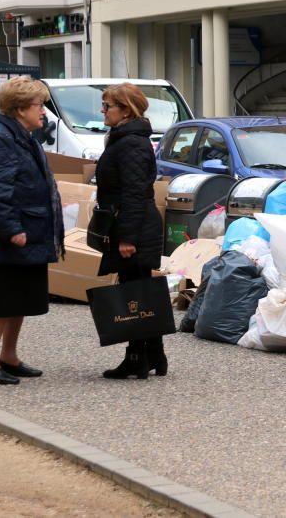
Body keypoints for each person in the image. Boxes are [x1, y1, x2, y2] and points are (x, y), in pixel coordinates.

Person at [0, 77, 63, 385]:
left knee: (19, 299)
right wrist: (11, 229)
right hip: (8, 236)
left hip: (26, 232)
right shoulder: (0, 138)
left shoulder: (21, 134)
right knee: (2, 300)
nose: (44, 112)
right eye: (39, 105)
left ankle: (9, 356)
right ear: (20, 109)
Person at [95, 83, 166, 379]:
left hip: (133, 225)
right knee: (141, 289)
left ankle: (137, 356)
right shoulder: (125, 138)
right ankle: (155, 355)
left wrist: (127, 237)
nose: (103, 111)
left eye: (108, 105)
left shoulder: (132, 143)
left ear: (126, 110)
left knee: (134, 292)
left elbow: (135, 193)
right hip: (131, 222)